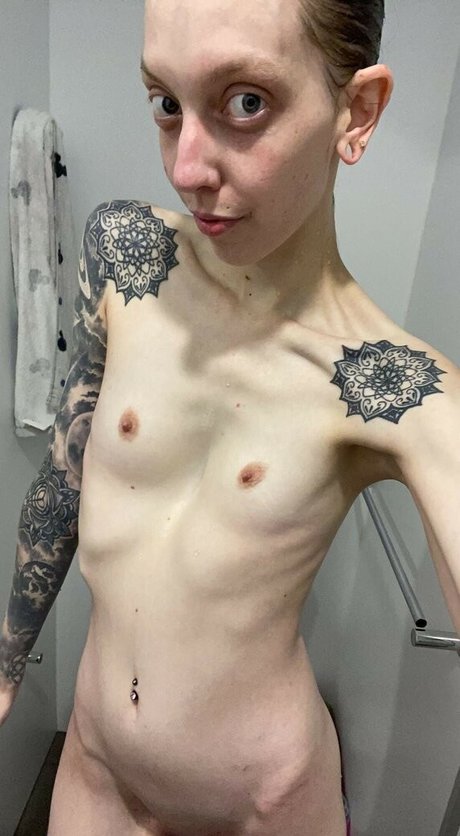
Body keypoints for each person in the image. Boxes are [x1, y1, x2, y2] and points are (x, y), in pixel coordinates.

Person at [1, 0, 459, 833]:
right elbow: (67, 475)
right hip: (98, 766)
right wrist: (6, 663)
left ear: (356, 112)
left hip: (265, 803)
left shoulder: (399, 388)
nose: (186, 168)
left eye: (246, 102)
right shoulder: (126, 253)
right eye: (166, 103)